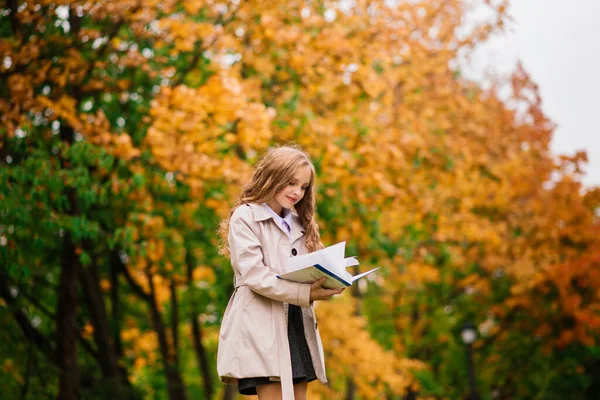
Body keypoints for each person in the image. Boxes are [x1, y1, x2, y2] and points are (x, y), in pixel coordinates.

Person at [217, 145, 344, 400]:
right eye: (291, 183)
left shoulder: (298, 222)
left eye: (304, 187)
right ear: (272, 176)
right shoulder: (245, 217)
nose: (297, 192)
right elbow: (255, 276)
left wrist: (329, 280)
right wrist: (307, 292)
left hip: (295, 322)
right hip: (261, 325)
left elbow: (301, 271)